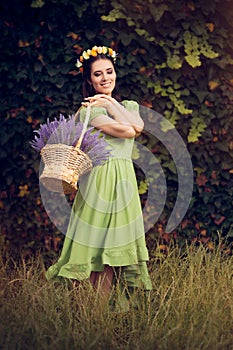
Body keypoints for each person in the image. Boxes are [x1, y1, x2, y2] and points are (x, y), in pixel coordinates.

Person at [45, 45, 152, 308]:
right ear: (89, 80)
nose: (105, 78)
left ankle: (104, 314)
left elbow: (137, 126)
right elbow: (127, 132)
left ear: (116, 73)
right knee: (96, 249)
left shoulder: (128, 105)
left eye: (109, 72)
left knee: (113, 251)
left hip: (124, 182)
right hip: (98, 182)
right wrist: (105, 105)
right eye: (98, 75)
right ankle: (91, 312)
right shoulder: (88, 111)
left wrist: (110, 102)